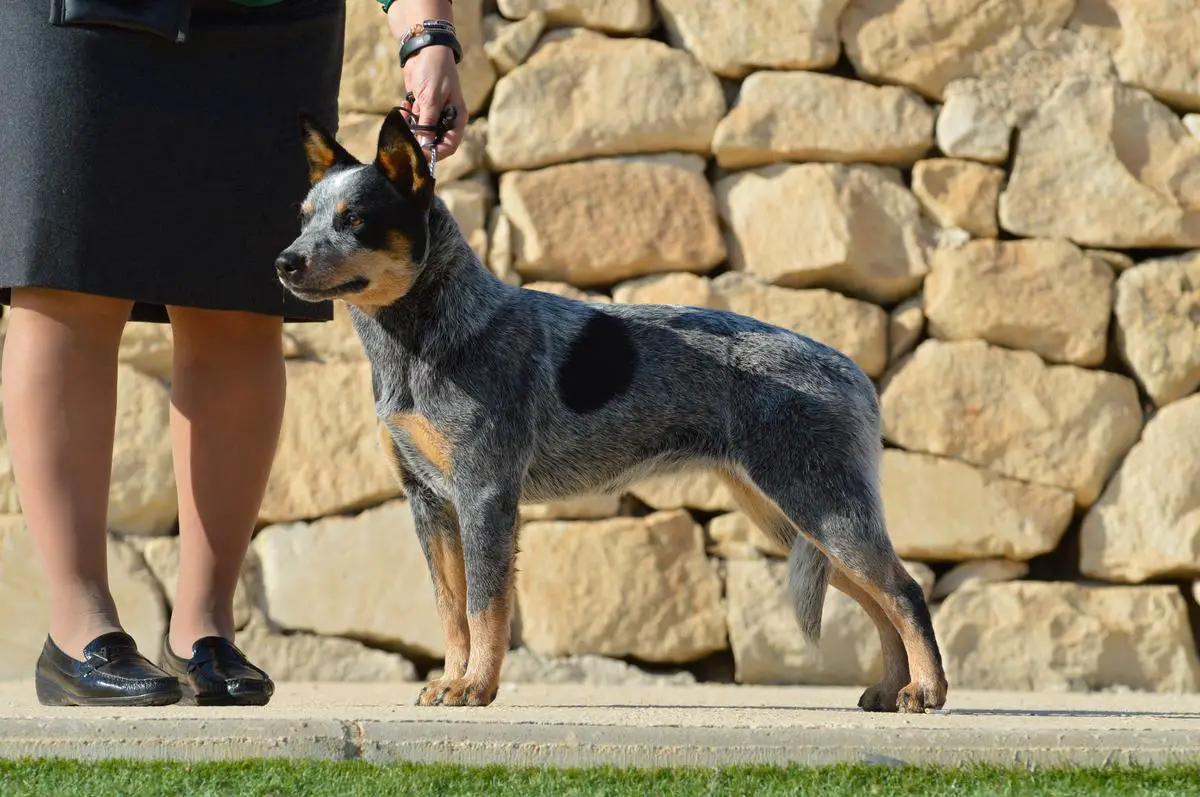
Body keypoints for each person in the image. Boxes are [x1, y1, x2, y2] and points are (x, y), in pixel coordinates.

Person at [0, 0, 466, 707]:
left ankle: (204, 629)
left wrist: (426, 34)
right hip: (80, 18)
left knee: (239, 303)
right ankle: (78, 627)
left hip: (271, 24)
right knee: (67, 281)